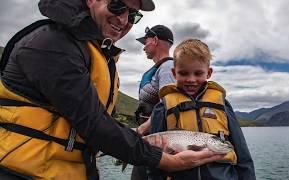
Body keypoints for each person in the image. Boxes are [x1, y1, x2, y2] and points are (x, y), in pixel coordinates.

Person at [0, 0, 227, 179]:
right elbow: (94, 124)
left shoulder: (99, 53)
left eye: (133, 14)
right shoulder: (52, 44)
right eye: (117, 5)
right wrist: (165, 160)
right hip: (22, 172)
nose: (124, 19)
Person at [148, 38, 256, 180]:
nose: (191, 79)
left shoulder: (222, 104)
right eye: (184, 73)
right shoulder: (163, 107)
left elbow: (242, 154)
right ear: (174, 73)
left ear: (209, 73)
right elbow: (153, 158)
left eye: (198, 73)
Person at [132, 25, 176, 180]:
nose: (144, 47)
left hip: (156, 142)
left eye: (146, 41)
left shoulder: (167, 68)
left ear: (155, 40)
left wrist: (143, 128)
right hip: (149, 139)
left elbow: (167, 104)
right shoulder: (159, 68)